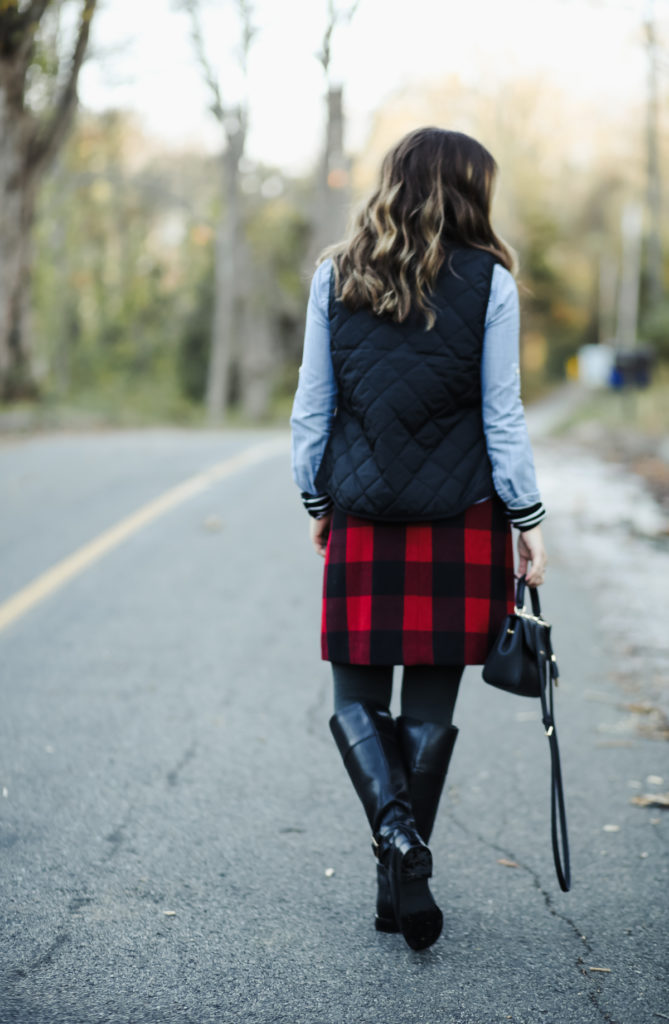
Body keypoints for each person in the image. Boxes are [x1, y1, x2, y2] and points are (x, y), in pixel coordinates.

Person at [290, 127, 547, 951]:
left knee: (357, 701)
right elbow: (499, 412)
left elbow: (312, 407)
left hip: (362, 513)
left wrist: (315, 495)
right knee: (428, 709)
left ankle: (395, 857)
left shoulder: (336, 274)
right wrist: (528, 518)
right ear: (471, 191)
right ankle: (403, 862)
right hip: (462, 515)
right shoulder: (490, 281)